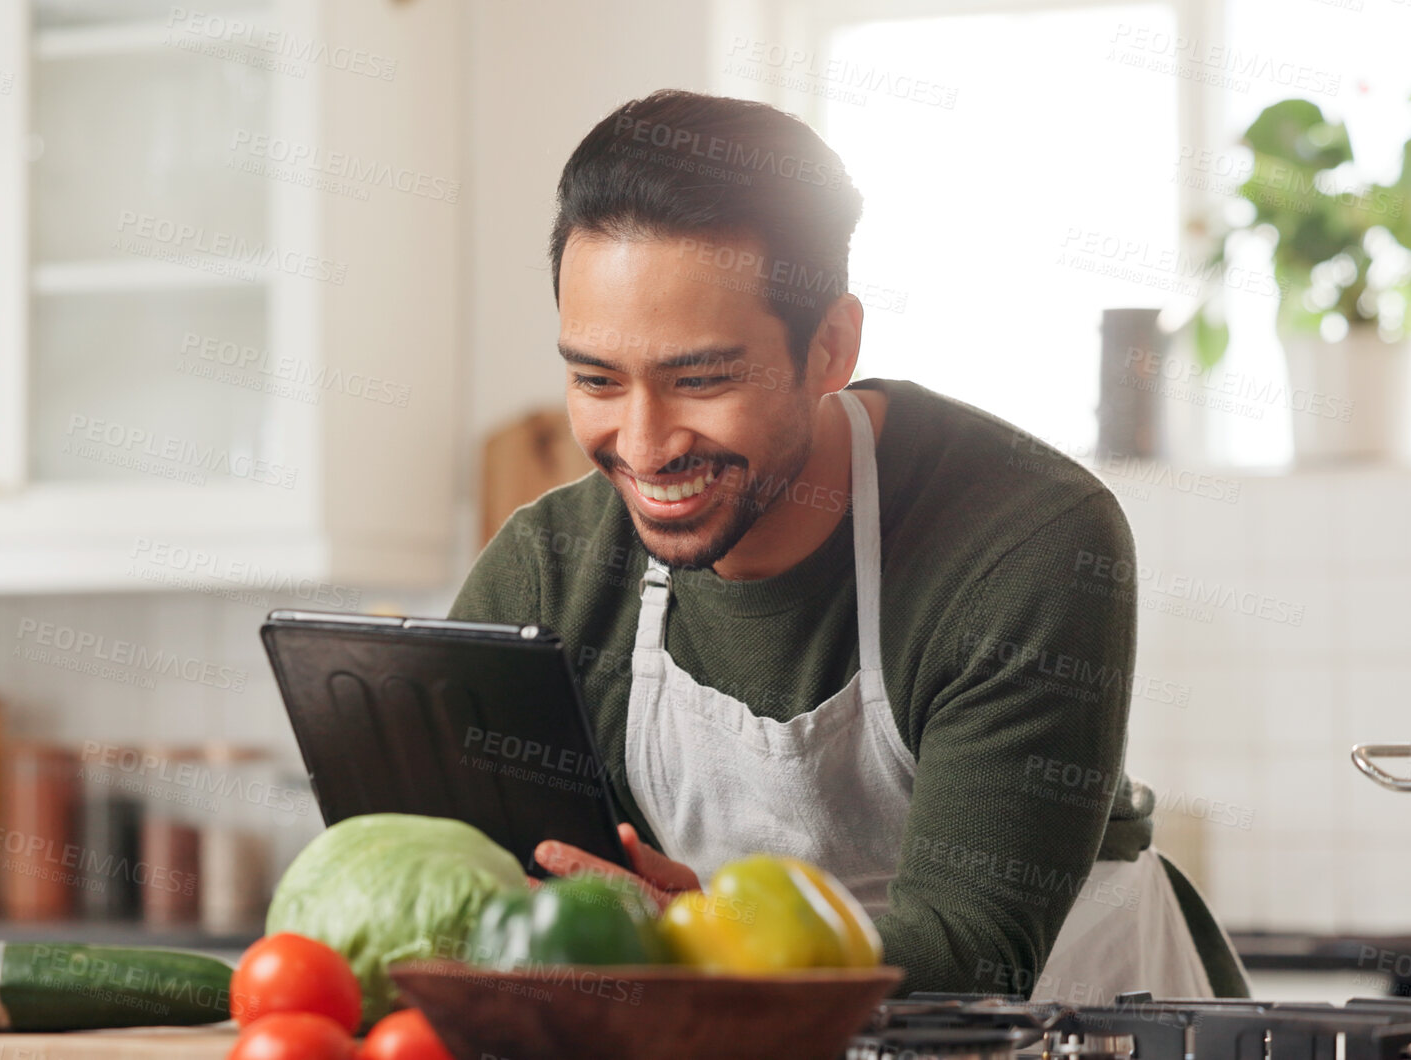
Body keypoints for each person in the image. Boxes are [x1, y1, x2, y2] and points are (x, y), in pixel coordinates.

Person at [450, 88, 1247, 1000]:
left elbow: (973, 949)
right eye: (596, 379)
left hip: (1073, 1025)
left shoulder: (1027, 538)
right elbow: (449, 881)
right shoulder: (549, 570)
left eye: (700, 379)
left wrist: (698, 936)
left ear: (829, 348)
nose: (642, 443)